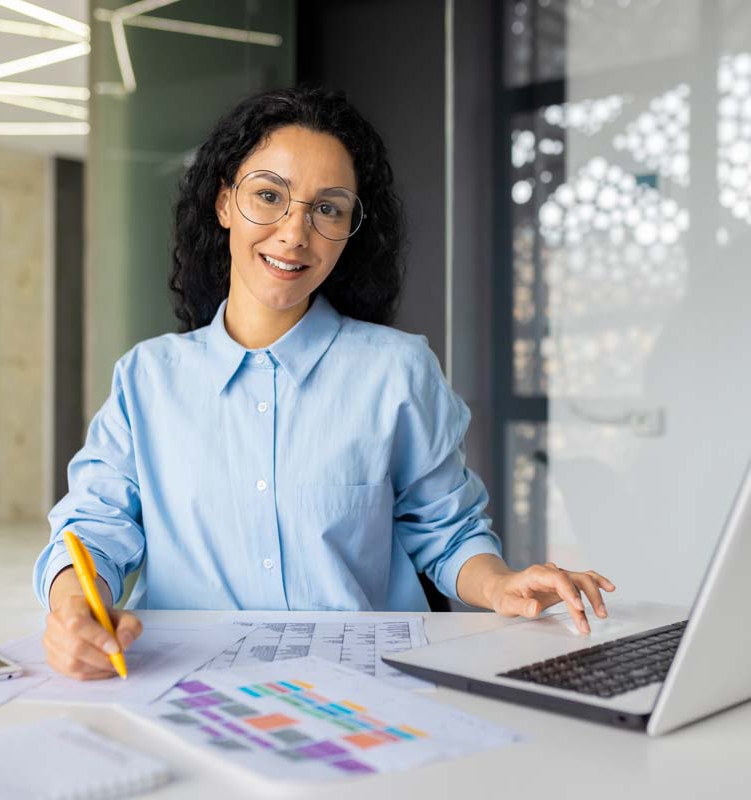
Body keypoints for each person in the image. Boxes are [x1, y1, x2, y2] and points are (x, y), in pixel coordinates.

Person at [34, 86, 615, 680]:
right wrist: (75, 607)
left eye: (328, 209)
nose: (294, 233)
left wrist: (500, 586)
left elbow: (446, 532)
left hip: (360, 687)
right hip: (187, 681)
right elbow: (94, 532)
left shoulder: (397, 370)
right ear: (224, 203)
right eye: (269, 196)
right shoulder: (147, 379)